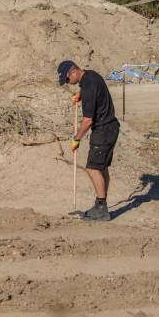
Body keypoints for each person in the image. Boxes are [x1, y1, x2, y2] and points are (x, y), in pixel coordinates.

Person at [57, 61, 120, 221]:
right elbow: (93, 92)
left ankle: (101, 208)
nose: (68, 83)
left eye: (67, 80)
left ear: (73, 72)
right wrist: (81, 95)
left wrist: (76, 139)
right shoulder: (91, 76)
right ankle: (101, 204)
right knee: (102, 168)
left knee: (92, 168)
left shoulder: (88, 87)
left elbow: (87, 121)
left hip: (103, 130)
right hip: (111, 127)